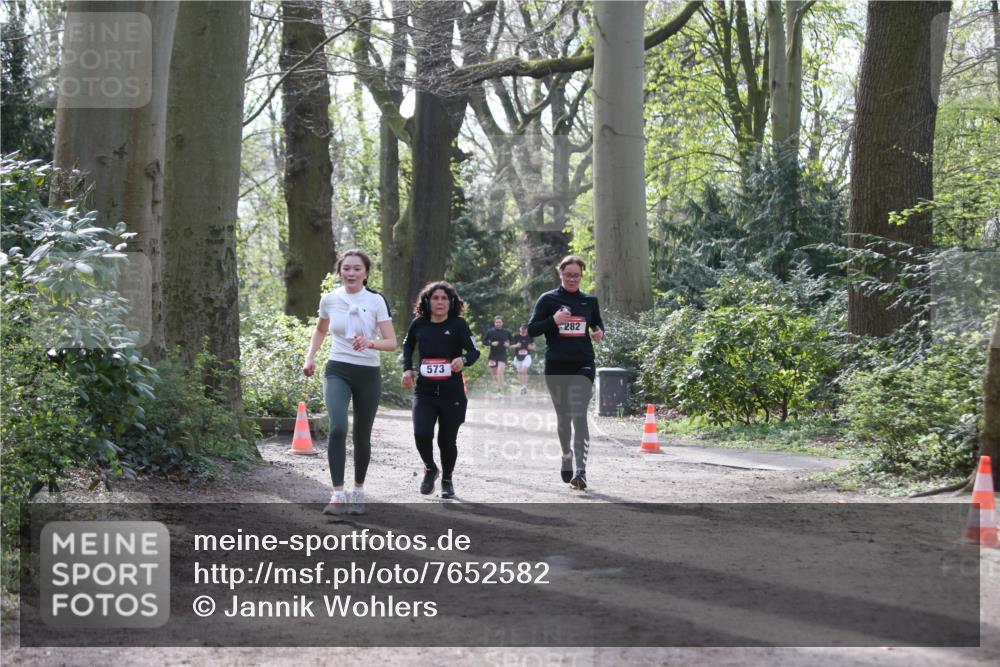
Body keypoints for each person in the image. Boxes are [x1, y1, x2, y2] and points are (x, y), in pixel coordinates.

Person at [303, 249, 397, 516]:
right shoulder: (330, 299)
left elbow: (391, 342)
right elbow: (321, 329)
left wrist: (370, 342)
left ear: (366, 273)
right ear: (340, 271)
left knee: (362, 435)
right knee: (337, 428)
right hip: (338, 370)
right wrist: (310, 357)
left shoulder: (376, 300)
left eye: (357, 268)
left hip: (368, 373)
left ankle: (357, 490)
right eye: (346, 268)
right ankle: (337, 494)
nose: (351, 273)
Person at [527, 255, 604, 490]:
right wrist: (554, 319)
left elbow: (598, 325)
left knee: (579, 413)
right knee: (564, 418)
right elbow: (531, 330)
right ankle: (566, 455)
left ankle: (581, 471)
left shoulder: (589, 301)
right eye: (568, 274)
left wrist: (599, 333)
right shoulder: (548, 299)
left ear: (582, 276)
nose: (572, 278)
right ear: (560, 274)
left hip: (583, 363)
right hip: (557, 366)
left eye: (576, 275)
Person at [401, 282, 480, 499]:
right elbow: (408, 346)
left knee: (447, 441)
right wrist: (407, 369)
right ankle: (430, 467)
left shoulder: (458, 325)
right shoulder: (419, 324)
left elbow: (475, 351)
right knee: (421, 433)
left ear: (451, 302)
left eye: (444, 298)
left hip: (451, 394)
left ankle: (447, 479)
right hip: (424, 392)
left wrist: (463, 360)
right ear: (427, 301)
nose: (440, 302)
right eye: (435, 298)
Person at [482, 316, 512, 393]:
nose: (498, 324)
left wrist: (508, 344)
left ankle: (500, 390)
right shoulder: (490, 332)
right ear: (494, 323)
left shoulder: (507, 332)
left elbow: (513, 341)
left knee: (500, 372)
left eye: (499, 322)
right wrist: (491, 343)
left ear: (502, 323)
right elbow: (484, 341)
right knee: (494, 374)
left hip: (502, 354)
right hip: (492, 355)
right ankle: (499, 386)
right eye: (496, 322)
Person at [510, 324, 536, 395]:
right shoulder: (516, 336)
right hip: (517, 358)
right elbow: (510, 346)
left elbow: (534, 346)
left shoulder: (530, 337)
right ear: (520, 328)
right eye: (522, 328)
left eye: (525, 329)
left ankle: (524, 386)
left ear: (527, 330)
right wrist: (516, 345)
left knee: (523, 370)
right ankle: (523, 387)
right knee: (521, 373)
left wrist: (531, 347)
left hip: (527, 357)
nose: (523, 330)